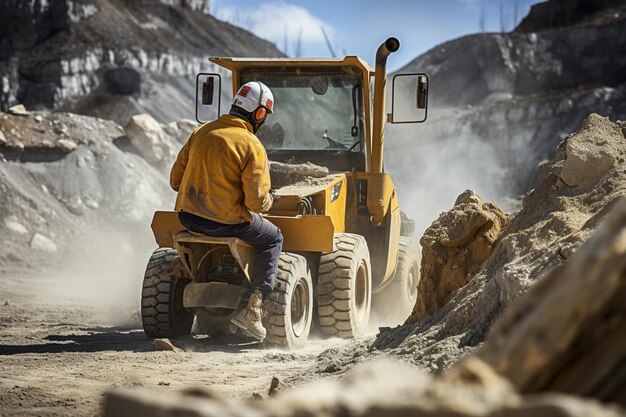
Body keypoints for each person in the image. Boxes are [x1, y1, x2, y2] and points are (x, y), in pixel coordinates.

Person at [169, 81, 282, 342]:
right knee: (272, 237)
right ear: (260, 113)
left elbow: (176, 181)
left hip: (188, 219)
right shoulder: (251, 145)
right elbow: (255, 203)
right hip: (225, 224)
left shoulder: (201, 132)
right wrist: (270, 201)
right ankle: (252, 311)